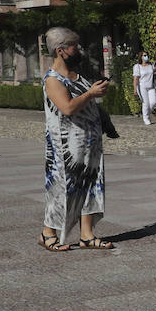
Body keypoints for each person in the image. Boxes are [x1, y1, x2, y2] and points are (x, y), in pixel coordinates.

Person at [40, 27, 114, 251]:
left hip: (89, 143)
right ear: (61, 50)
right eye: (74, 46)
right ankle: (47, 233)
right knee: (62, 188)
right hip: (66, 147)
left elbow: (86, 102)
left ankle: (87, 235)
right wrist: (91, 93)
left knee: (92, 185)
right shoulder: (53, 80)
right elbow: (68, 108)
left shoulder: (77, 76)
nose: (78, 50)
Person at [132, 51, 156, 125]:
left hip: (151, 86)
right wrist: (135, 89)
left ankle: (147, 114)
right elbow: (136, 78)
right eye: (144, 55)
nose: (146, 57)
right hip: (142, 86)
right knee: (146, 103)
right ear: (141, 57)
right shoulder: (137, 66)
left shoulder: (151, 65)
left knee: (153, 102)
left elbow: (153, 73)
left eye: (147, 55)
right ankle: (146, 118)